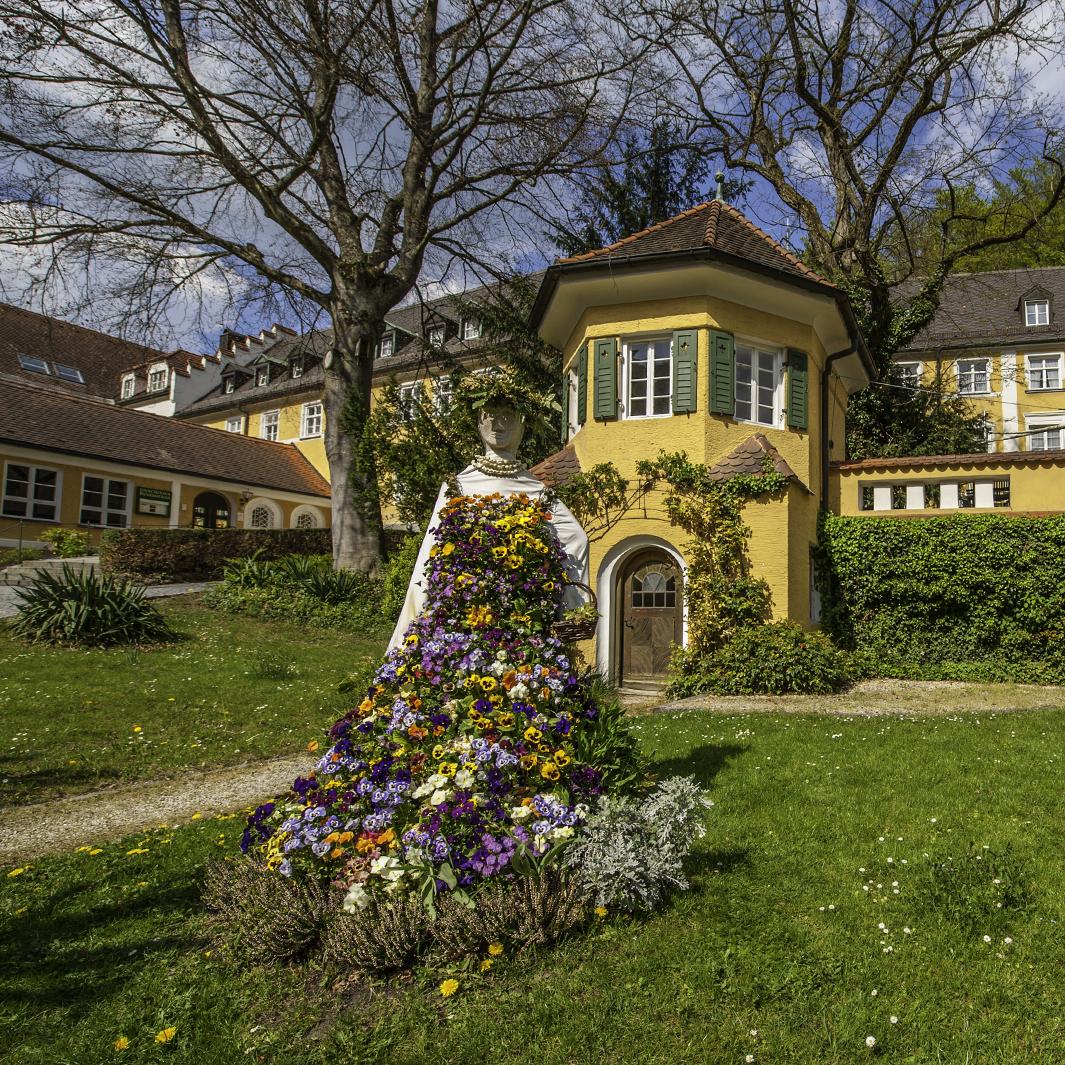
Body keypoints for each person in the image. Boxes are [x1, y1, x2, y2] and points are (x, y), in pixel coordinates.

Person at [388, 399, 588, 650]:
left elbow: (576, 538)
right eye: (489, 415)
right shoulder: (459, 485)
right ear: (478, 423)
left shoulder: (535, 488)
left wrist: (571, 608)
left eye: (507, 415)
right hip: (465, 607)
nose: (496, 423)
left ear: (521, 427)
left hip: (519, 608)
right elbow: (432, 549)